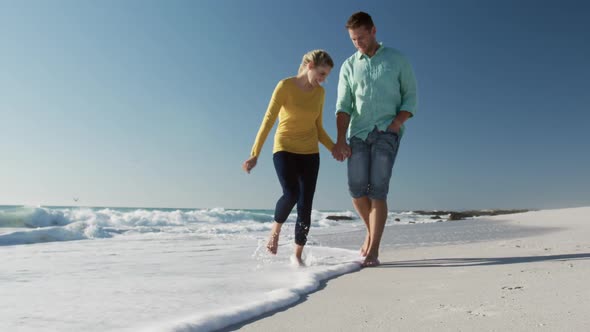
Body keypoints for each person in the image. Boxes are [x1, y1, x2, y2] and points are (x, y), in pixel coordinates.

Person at [332, 12, 418, 267]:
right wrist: (340, 140)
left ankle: (374, 251)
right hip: (357, 133)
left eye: (360, 37)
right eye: (352, 39)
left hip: (386, 132)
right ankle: (370, 232)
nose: (357, 42)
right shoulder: (349, 66)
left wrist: (396, 124)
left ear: (373, 31)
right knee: (357, 191)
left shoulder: (397, 59)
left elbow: (410, 97)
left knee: (377, 190)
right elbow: (343, 105)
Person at [242, 50, 336, 266]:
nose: (323, 80)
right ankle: (275, 230)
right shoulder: (285, 86)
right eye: (322, 73)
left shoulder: (320, 94)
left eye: (326, 76)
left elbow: (318, 128)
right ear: (310, 65)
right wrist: (254, 154)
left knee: (305, 205)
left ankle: (297, 255)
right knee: (292, 193)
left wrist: (334, 148)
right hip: (284, 148)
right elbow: (268, 121)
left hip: (310, 153)